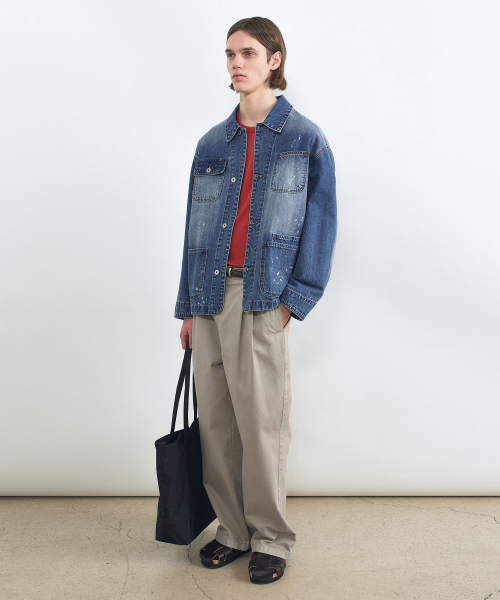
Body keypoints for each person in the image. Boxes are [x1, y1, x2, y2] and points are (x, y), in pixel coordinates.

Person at [174, 16, 337, 584]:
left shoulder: (304, 138)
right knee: (217, 421)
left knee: (262, 423)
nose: (236, 63)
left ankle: (271, 537)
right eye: (229, 54)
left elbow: (321, 224)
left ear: (274, 60)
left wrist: (293, 298)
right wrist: (188, 307)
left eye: (247, 53)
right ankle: (233, 530)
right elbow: (194, 233)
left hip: (261, 295)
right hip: (208, 294)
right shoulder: (211, 143)